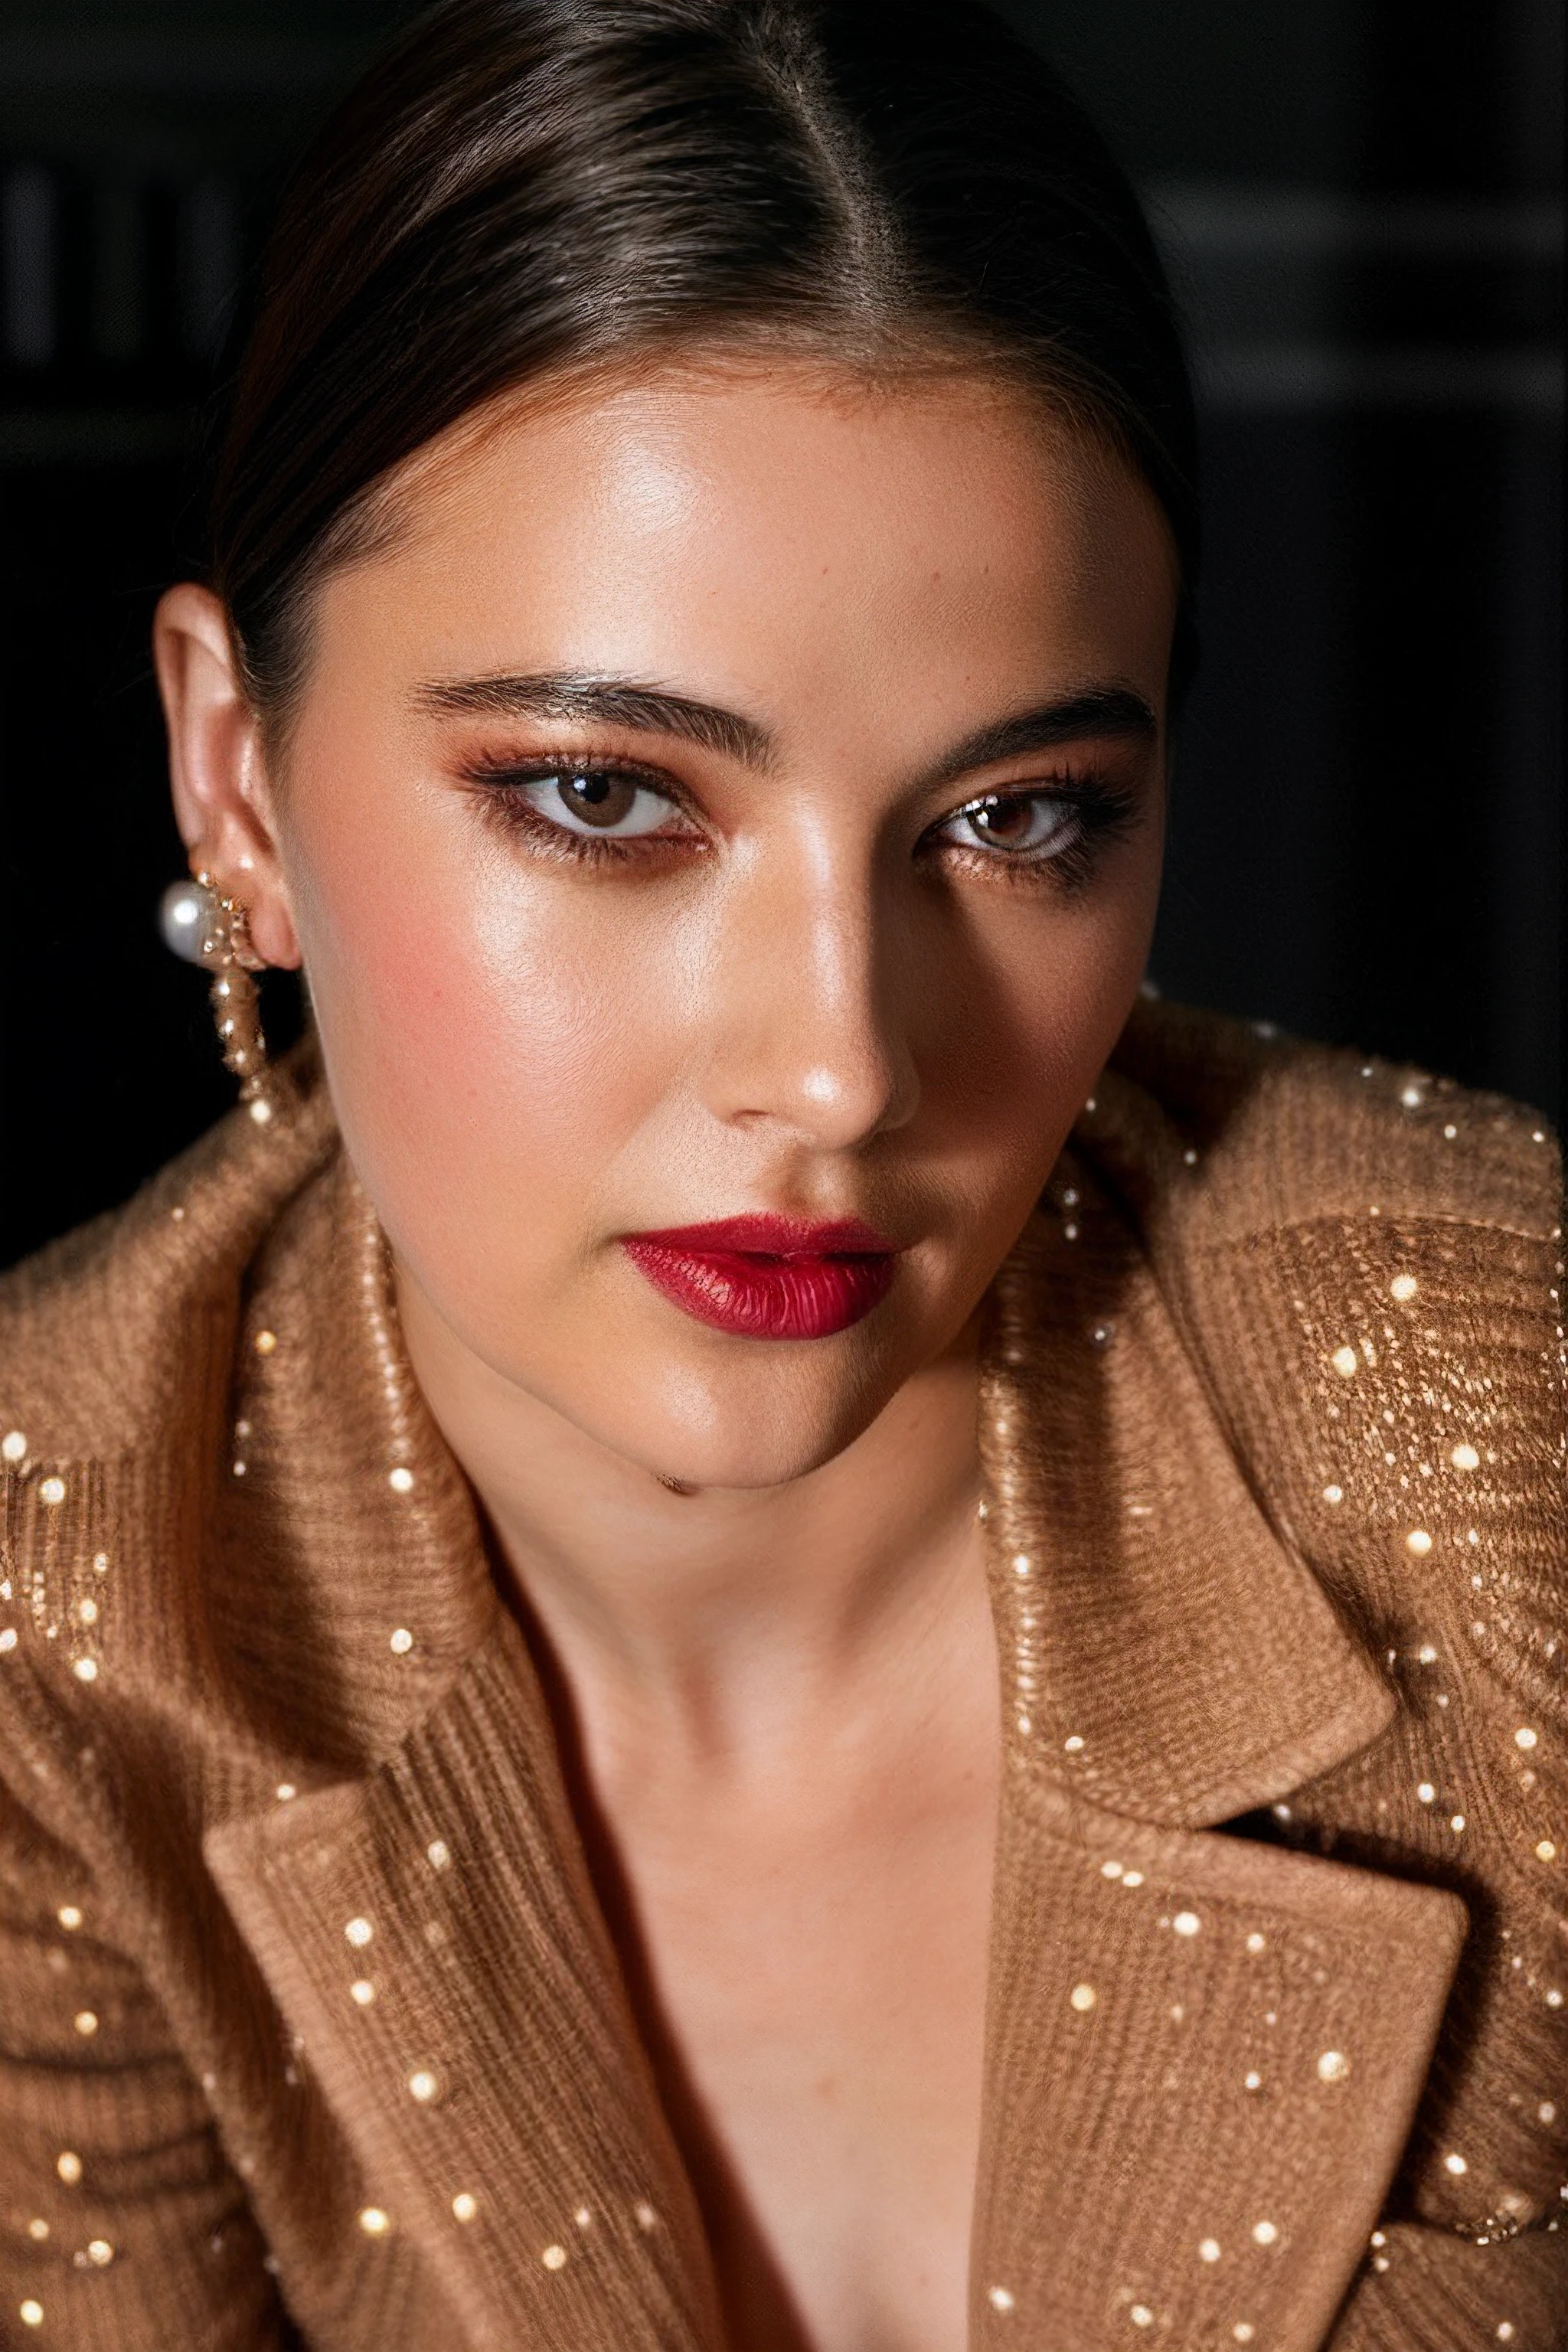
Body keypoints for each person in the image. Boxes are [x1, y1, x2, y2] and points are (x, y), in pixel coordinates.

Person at [0, 2, 1562, 2346]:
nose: (841, 1065)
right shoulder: (53, 1640)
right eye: (607, 798)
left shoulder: (1501, 1461)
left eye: (1011, 820)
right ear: (237, 782)